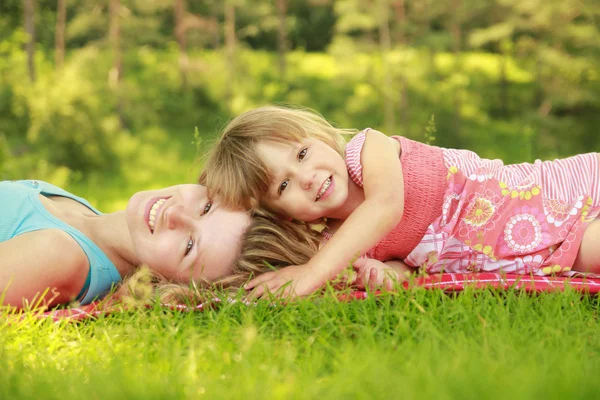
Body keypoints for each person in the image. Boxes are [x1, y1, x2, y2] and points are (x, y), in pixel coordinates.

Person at [202, 105, 600, 297]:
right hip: (548, 256)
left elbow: (387, 207)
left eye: (302, 154)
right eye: (283, 187)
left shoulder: (367, 150)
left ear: (321, 137)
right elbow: (411, 269)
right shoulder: (344, 243)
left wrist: (310, 274)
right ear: (281, 214)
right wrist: (387, 273)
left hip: (562, 200)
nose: (306, 178)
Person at [0, 180, 252, 309]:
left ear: (174, 283)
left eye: (188, 246)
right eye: (206, 207)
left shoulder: (60, 256)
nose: (175, 214)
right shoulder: (86, 216)